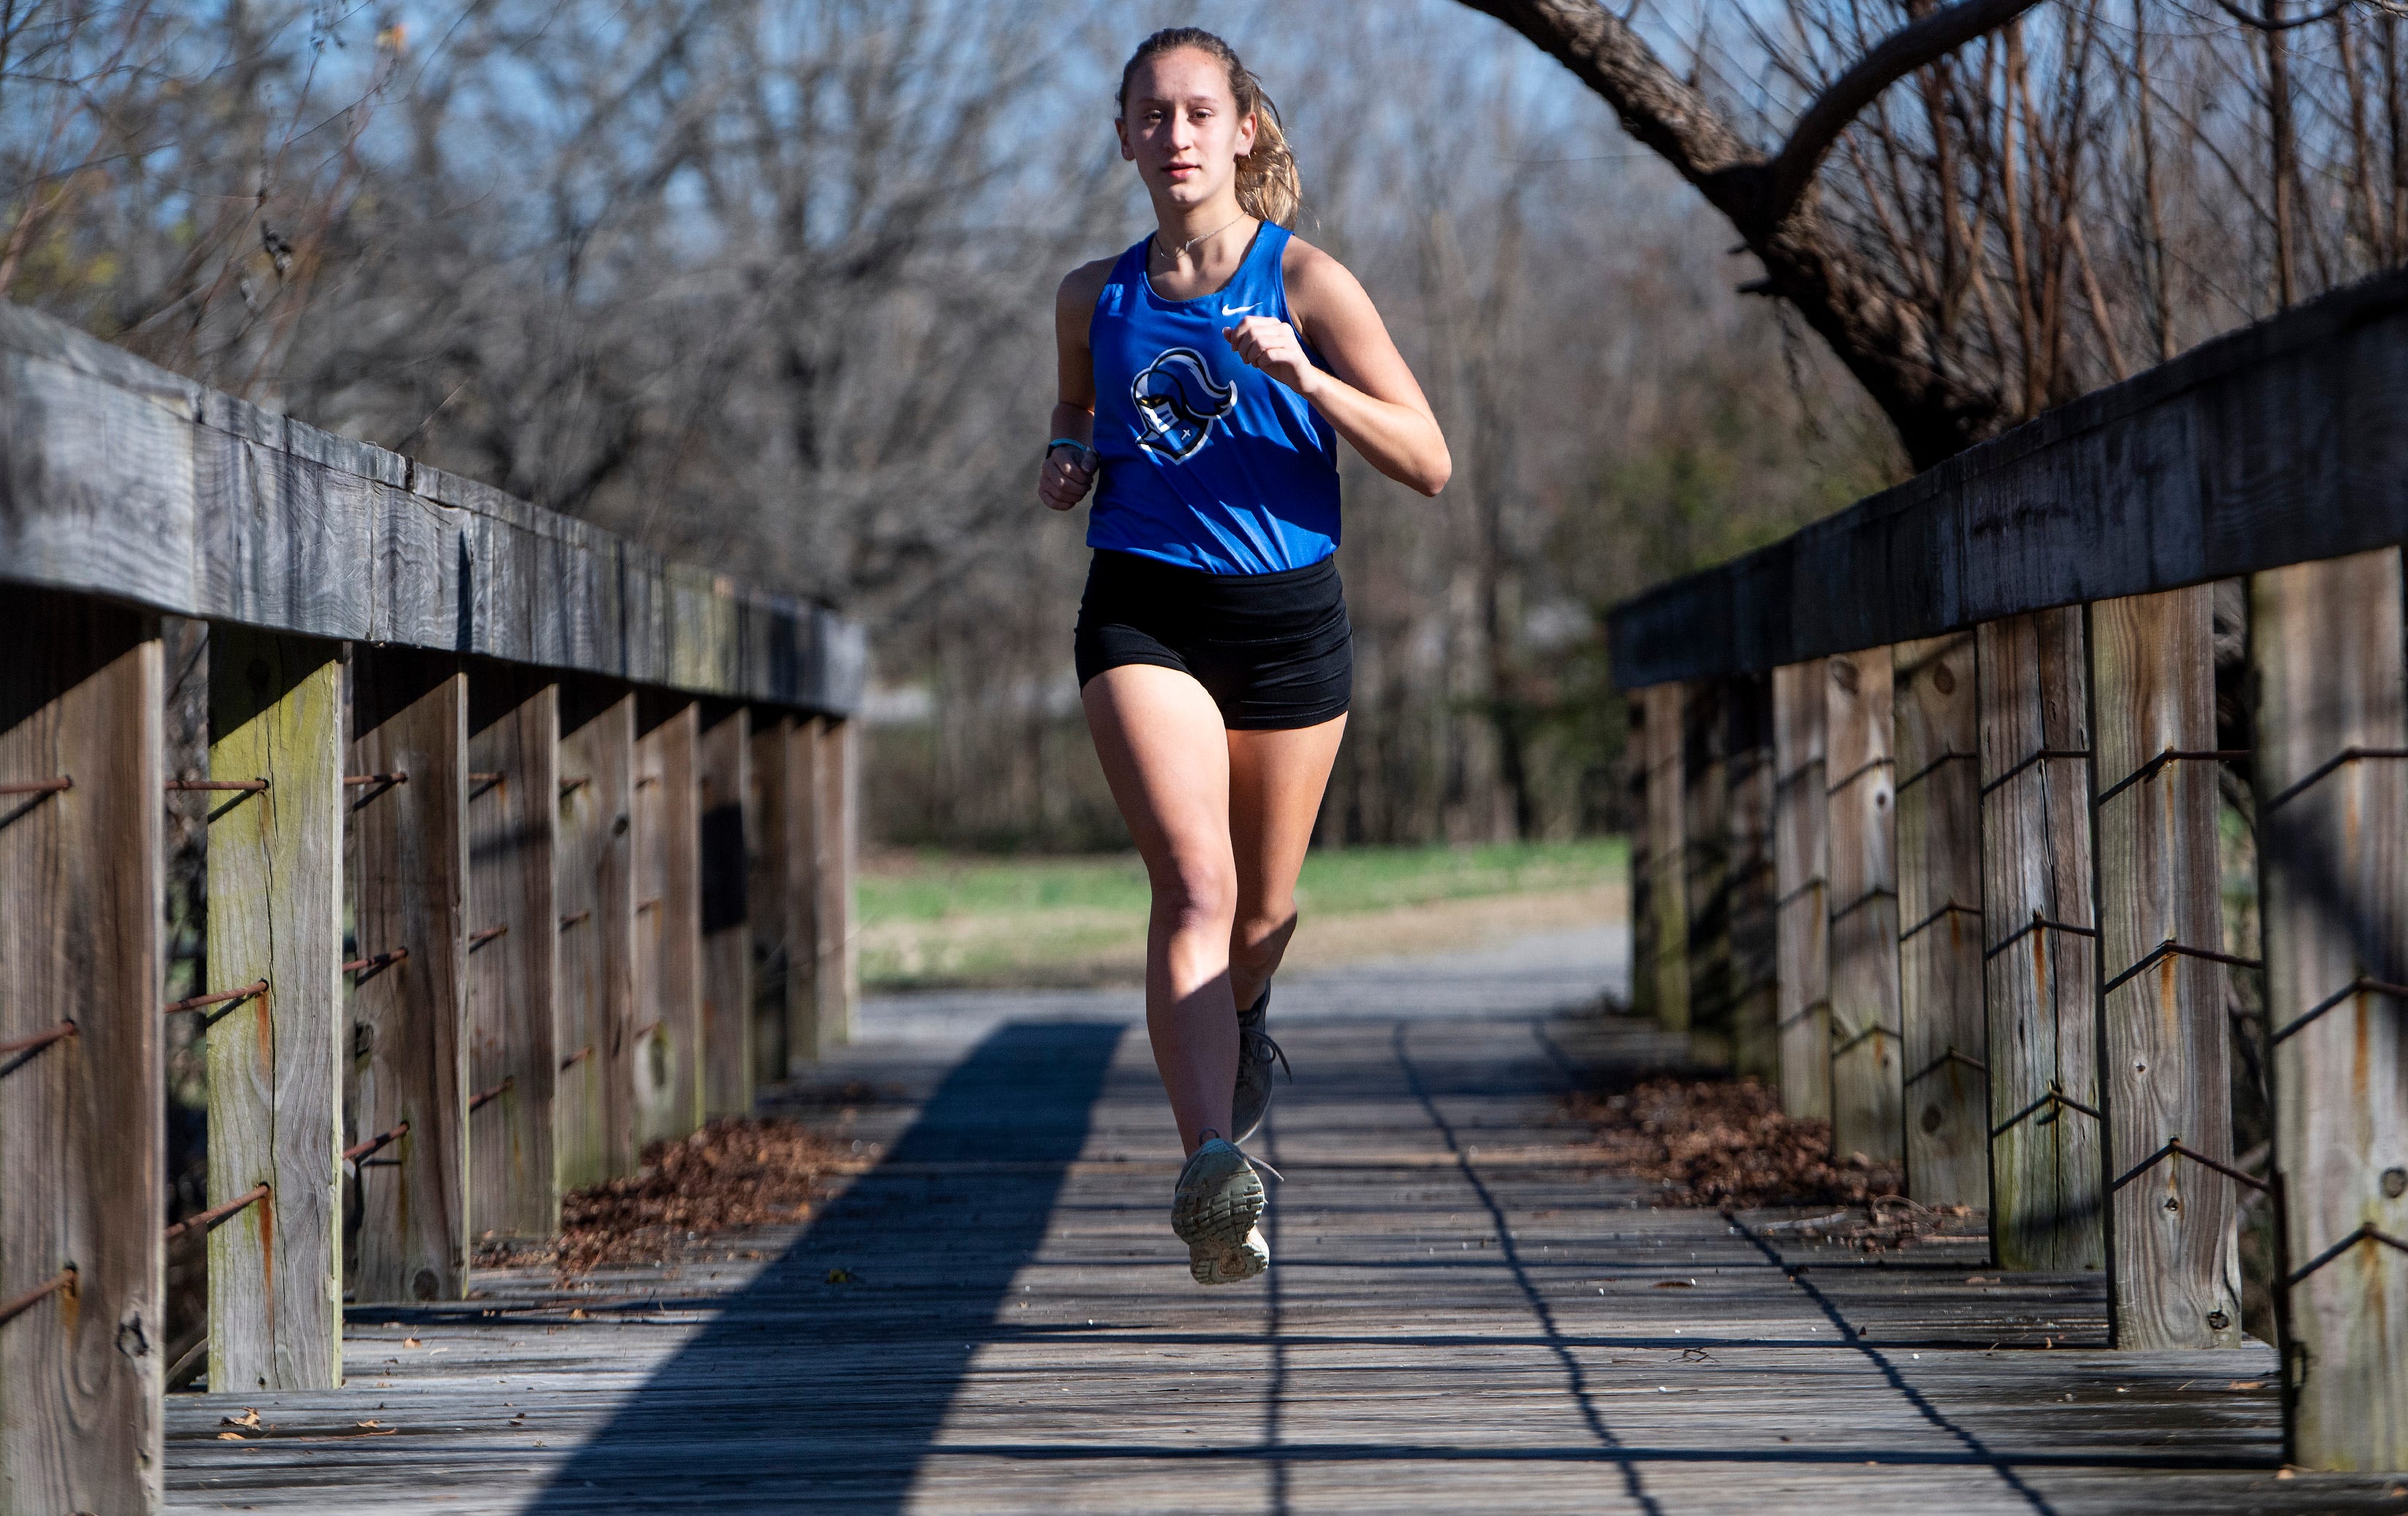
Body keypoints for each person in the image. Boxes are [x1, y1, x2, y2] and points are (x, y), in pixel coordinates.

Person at [1038, 27, 1450, 1286]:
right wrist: (1066, 453)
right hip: (1144, 609)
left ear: (1242, 130)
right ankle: (1212, 1166)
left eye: (1199, 113)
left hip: (1285, 622)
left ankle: (1247, 1016)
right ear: (1124, 137)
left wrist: (1309, 378)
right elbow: (1077, 405)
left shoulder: (1308, 281)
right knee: (1195, 889)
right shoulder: (1090, 295)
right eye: (1153, 115)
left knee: (1261, 915)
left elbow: (1429, 460)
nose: (1177, 135)